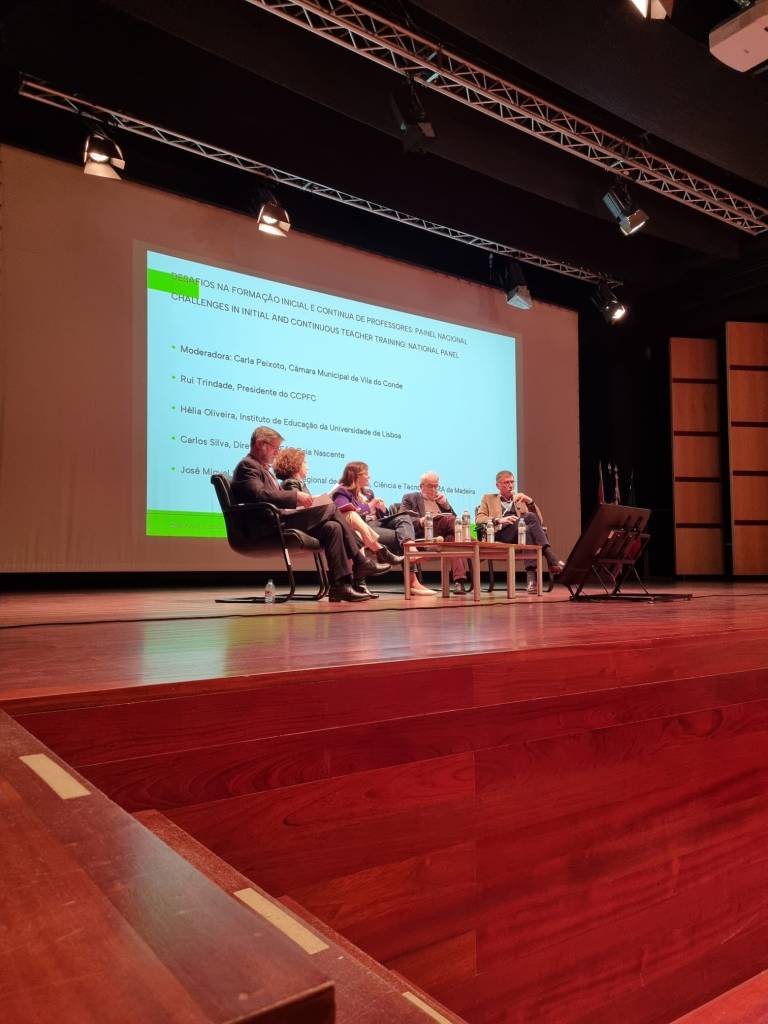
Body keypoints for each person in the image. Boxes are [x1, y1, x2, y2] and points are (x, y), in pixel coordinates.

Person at [231, 427, 389, 603]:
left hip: (278, 519)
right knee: (330, 506)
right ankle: (360, 560)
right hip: (267, 525)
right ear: (260, 444)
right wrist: (296, 496)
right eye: (275, 448)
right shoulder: (247, 466)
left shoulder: (263, 469)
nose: (277, 452)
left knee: (333, 528)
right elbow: (259, 495)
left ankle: (340, 586)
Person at [273, 446, 402, 599]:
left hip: (310, 524)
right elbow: (298, 508)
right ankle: (371, 556)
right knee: (342, 512)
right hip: (298, 526)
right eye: (304, 463)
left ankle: (341, 586)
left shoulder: (299, 483)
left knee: (334, 526)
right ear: (295, 465)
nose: (307, 466)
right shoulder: (291, 483)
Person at [332, 461, 437, 596]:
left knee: (404, 519)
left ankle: (411, 550)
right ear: (356, 475)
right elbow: (346, 512)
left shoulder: (368, 493)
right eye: (366, 474)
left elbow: (383, 517)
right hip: (363, 527)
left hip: (376, 525)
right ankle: (411, 582)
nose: (369, 477)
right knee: (400, 538)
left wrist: (382, 509)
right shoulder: (342, 491)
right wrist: (371, 505)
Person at [476, 469, 564, 592]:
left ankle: (531, 580)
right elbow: (479, 519)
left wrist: (530, 501)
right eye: (506, 482)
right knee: (527, 521)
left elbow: (538, 522)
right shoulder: (488, 498)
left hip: (518, 534)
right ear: (498, 485)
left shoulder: (519, 499)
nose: (510, 485)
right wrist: (499, 520)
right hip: (500, 534)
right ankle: (551, 557)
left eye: (512, 482)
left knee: (527, 529)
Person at [401, 472, 469, 594]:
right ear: (421, 486)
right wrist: (420, 521)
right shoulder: (410, 497)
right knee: (450, 521)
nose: (433, 489)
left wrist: (446, 506)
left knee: (454, 540)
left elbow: (456, 521)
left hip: (443, 533)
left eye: (436, 486)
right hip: (425, 531)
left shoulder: (440, 500)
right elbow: (402, 517)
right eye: (430, 486)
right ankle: (473, 543)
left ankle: (459, 582)